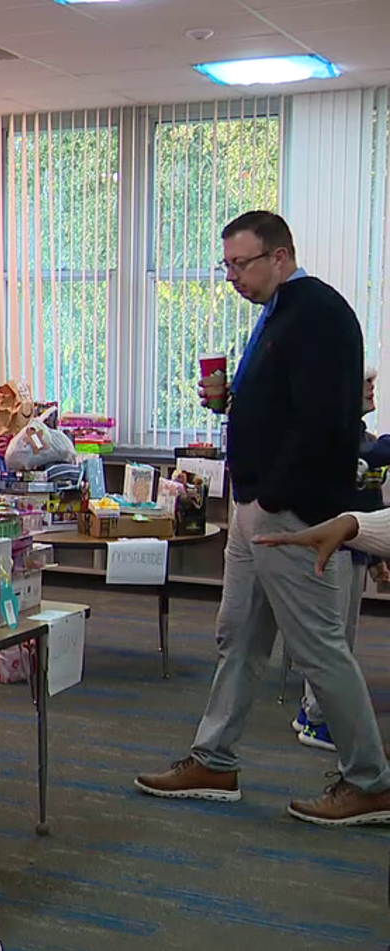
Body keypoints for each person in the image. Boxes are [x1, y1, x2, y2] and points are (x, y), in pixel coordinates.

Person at [134, 211, 390, 826]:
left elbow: (325, 422)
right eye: (225, 265)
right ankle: (214, 758)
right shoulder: (277, 314)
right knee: (239, 639)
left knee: (318, 650)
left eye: (241, 263)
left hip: (290, 515)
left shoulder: (319, 314)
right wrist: (233, 405)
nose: (232, 277)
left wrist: (274, 498)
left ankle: (371, 782)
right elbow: (283, 408)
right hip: (257, 508)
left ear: (280, 256)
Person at [288, 368, 390, 750]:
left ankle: (309, 709)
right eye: (364, 383)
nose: (371, 389)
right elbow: (368, 455)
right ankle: (318, 719)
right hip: (330, 553)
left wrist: (377, 555)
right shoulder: (335, 437)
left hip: (356, 550)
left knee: (342, 636)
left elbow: (368, 499)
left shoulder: (364, 438)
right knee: (332, 639)